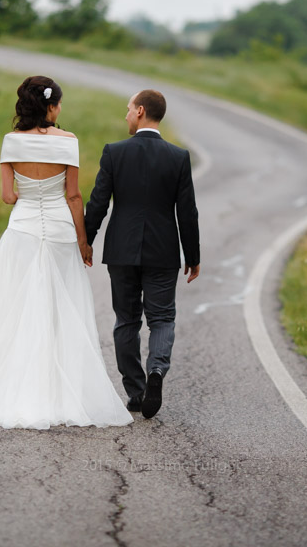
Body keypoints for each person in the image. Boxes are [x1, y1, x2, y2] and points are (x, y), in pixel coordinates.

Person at [0, 75, 133, 430]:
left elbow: (8, 197)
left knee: (14, 307)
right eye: (59, 104)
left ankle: (13, 386)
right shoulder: (69, 141)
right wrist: (84, 242)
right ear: (51, 107)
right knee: (59, 309)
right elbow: (73, 196)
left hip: (23, 230)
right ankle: (58, 390)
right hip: (58, 230)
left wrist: (27, 190)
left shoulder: (10, 142)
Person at [84, 89, 200, 420]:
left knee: (127, 321)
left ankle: (136, 392)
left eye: (127, 109)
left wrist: (87, 240)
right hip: (163, 252)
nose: (125, 115)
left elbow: (98, 202)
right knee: (162, 318)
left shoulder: (114, 153)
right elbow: (187, 213)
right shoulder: (178, 157)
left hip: (121, 250)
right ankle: (157, 372)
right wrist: (192, 255)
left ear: (140, 111)